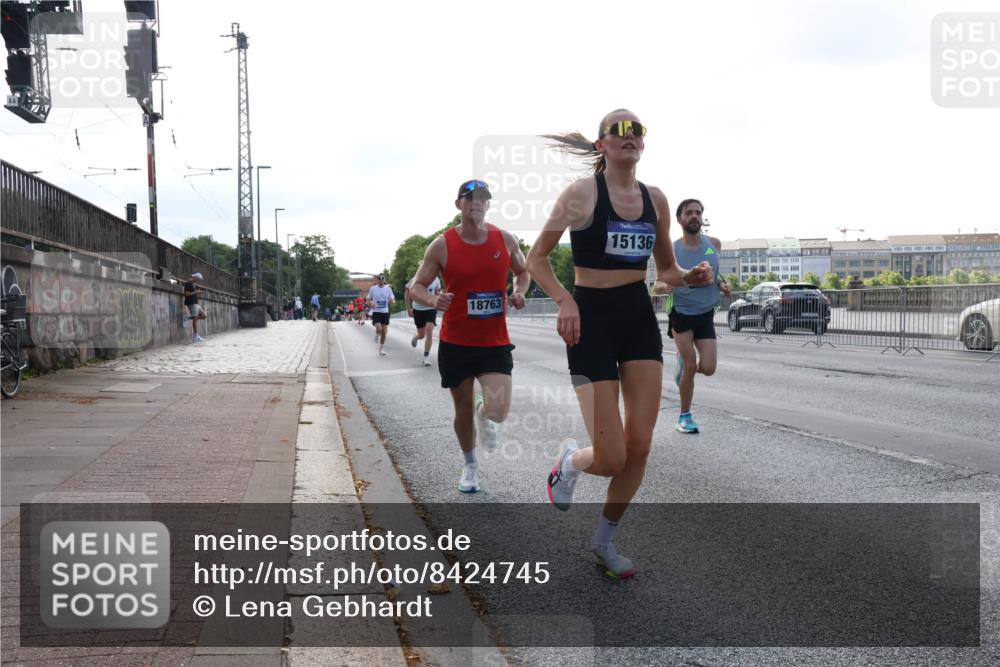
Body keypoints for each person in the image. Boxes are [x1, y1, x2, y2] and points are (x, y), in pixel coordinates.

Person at [525, 110, 713, 578]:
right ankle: (570, 463)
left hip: (637, 320)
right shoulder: (581, 194)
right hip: (589, 321)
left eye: (637, 131)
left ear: (643, 143)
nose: (630, 137)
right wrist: (565, 300)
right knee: (610, 458)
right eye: (620, 131)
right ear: (601, 144)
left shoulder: (656, 199)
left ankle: (605, 541)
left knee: (640, 446)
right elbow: (536, 258)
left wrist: (689, 276)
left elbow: (665, 271)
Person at [410, 180, 529, 493]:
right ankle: (470, 465)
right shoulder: (442, 245)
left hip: (494, 341)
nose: (477, 202)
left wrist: (518, 292)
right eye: (470, 198)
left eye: (483, 198)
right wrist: (433, 300)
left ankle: (484, 414)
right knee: (461, 407)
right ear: (458, 205)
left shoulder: (505, 239)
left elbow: (523, 271)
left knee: (499, 411)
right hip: (457, 342)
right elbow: (416, 286)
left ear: (488, 205)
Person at [653, 199, 730, 434]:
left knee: (708, 367)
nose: (694, 216)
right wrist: (664, 287)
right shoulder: (671, 249)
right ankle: (684, 416)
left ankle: (684, 367)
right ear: (679, 219)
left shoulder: (714, 244)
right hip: (681, 313)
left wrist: (722, 284)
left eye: (698, 212)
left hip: (705, 313)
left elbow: (715, 273)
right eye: (689, 213)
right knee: (689, 364)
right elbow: (657, 283)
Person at [405, 272, 441, 367]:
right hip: (418, 310)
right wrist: (409, 310)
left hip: (431, 309)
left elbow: (437, 293)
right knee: (422, 335)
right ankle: (417, 337)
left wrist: (438, 302)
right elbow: (407, 294)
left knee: (429, 332)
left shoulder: (436, 280)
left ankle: (426, 358)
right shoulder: (415, 279)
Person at [368, 274, 395, 356]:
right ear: (377, 280)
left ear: (384, 280)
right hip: (376, 311)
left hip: (385, 312)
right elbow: (368, 299)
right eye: (379, 279)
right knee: (379, 329)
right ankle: (377, 333)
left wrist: (392, 301)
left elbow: (392, 299)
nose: (381, 280)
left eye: (382, 279)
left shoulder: (388, 289)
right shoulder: (373, 289)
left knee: (384, 332)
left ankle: (381, 349)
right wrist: (371, 303)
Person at [182, 272, 209, 342]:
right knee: (195, 318)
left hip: (195, 303)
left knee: (204, 315)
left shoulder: (193, 284)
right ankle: (195, 336)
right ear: (196, 277)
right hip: (191, 303)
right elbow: (186, 294)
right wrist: (196, 292)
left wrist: (199, 293)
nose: (198, 281)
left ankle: (187, 318)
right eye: (198, 279)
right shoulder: (188, 283)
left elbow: (193, 294)